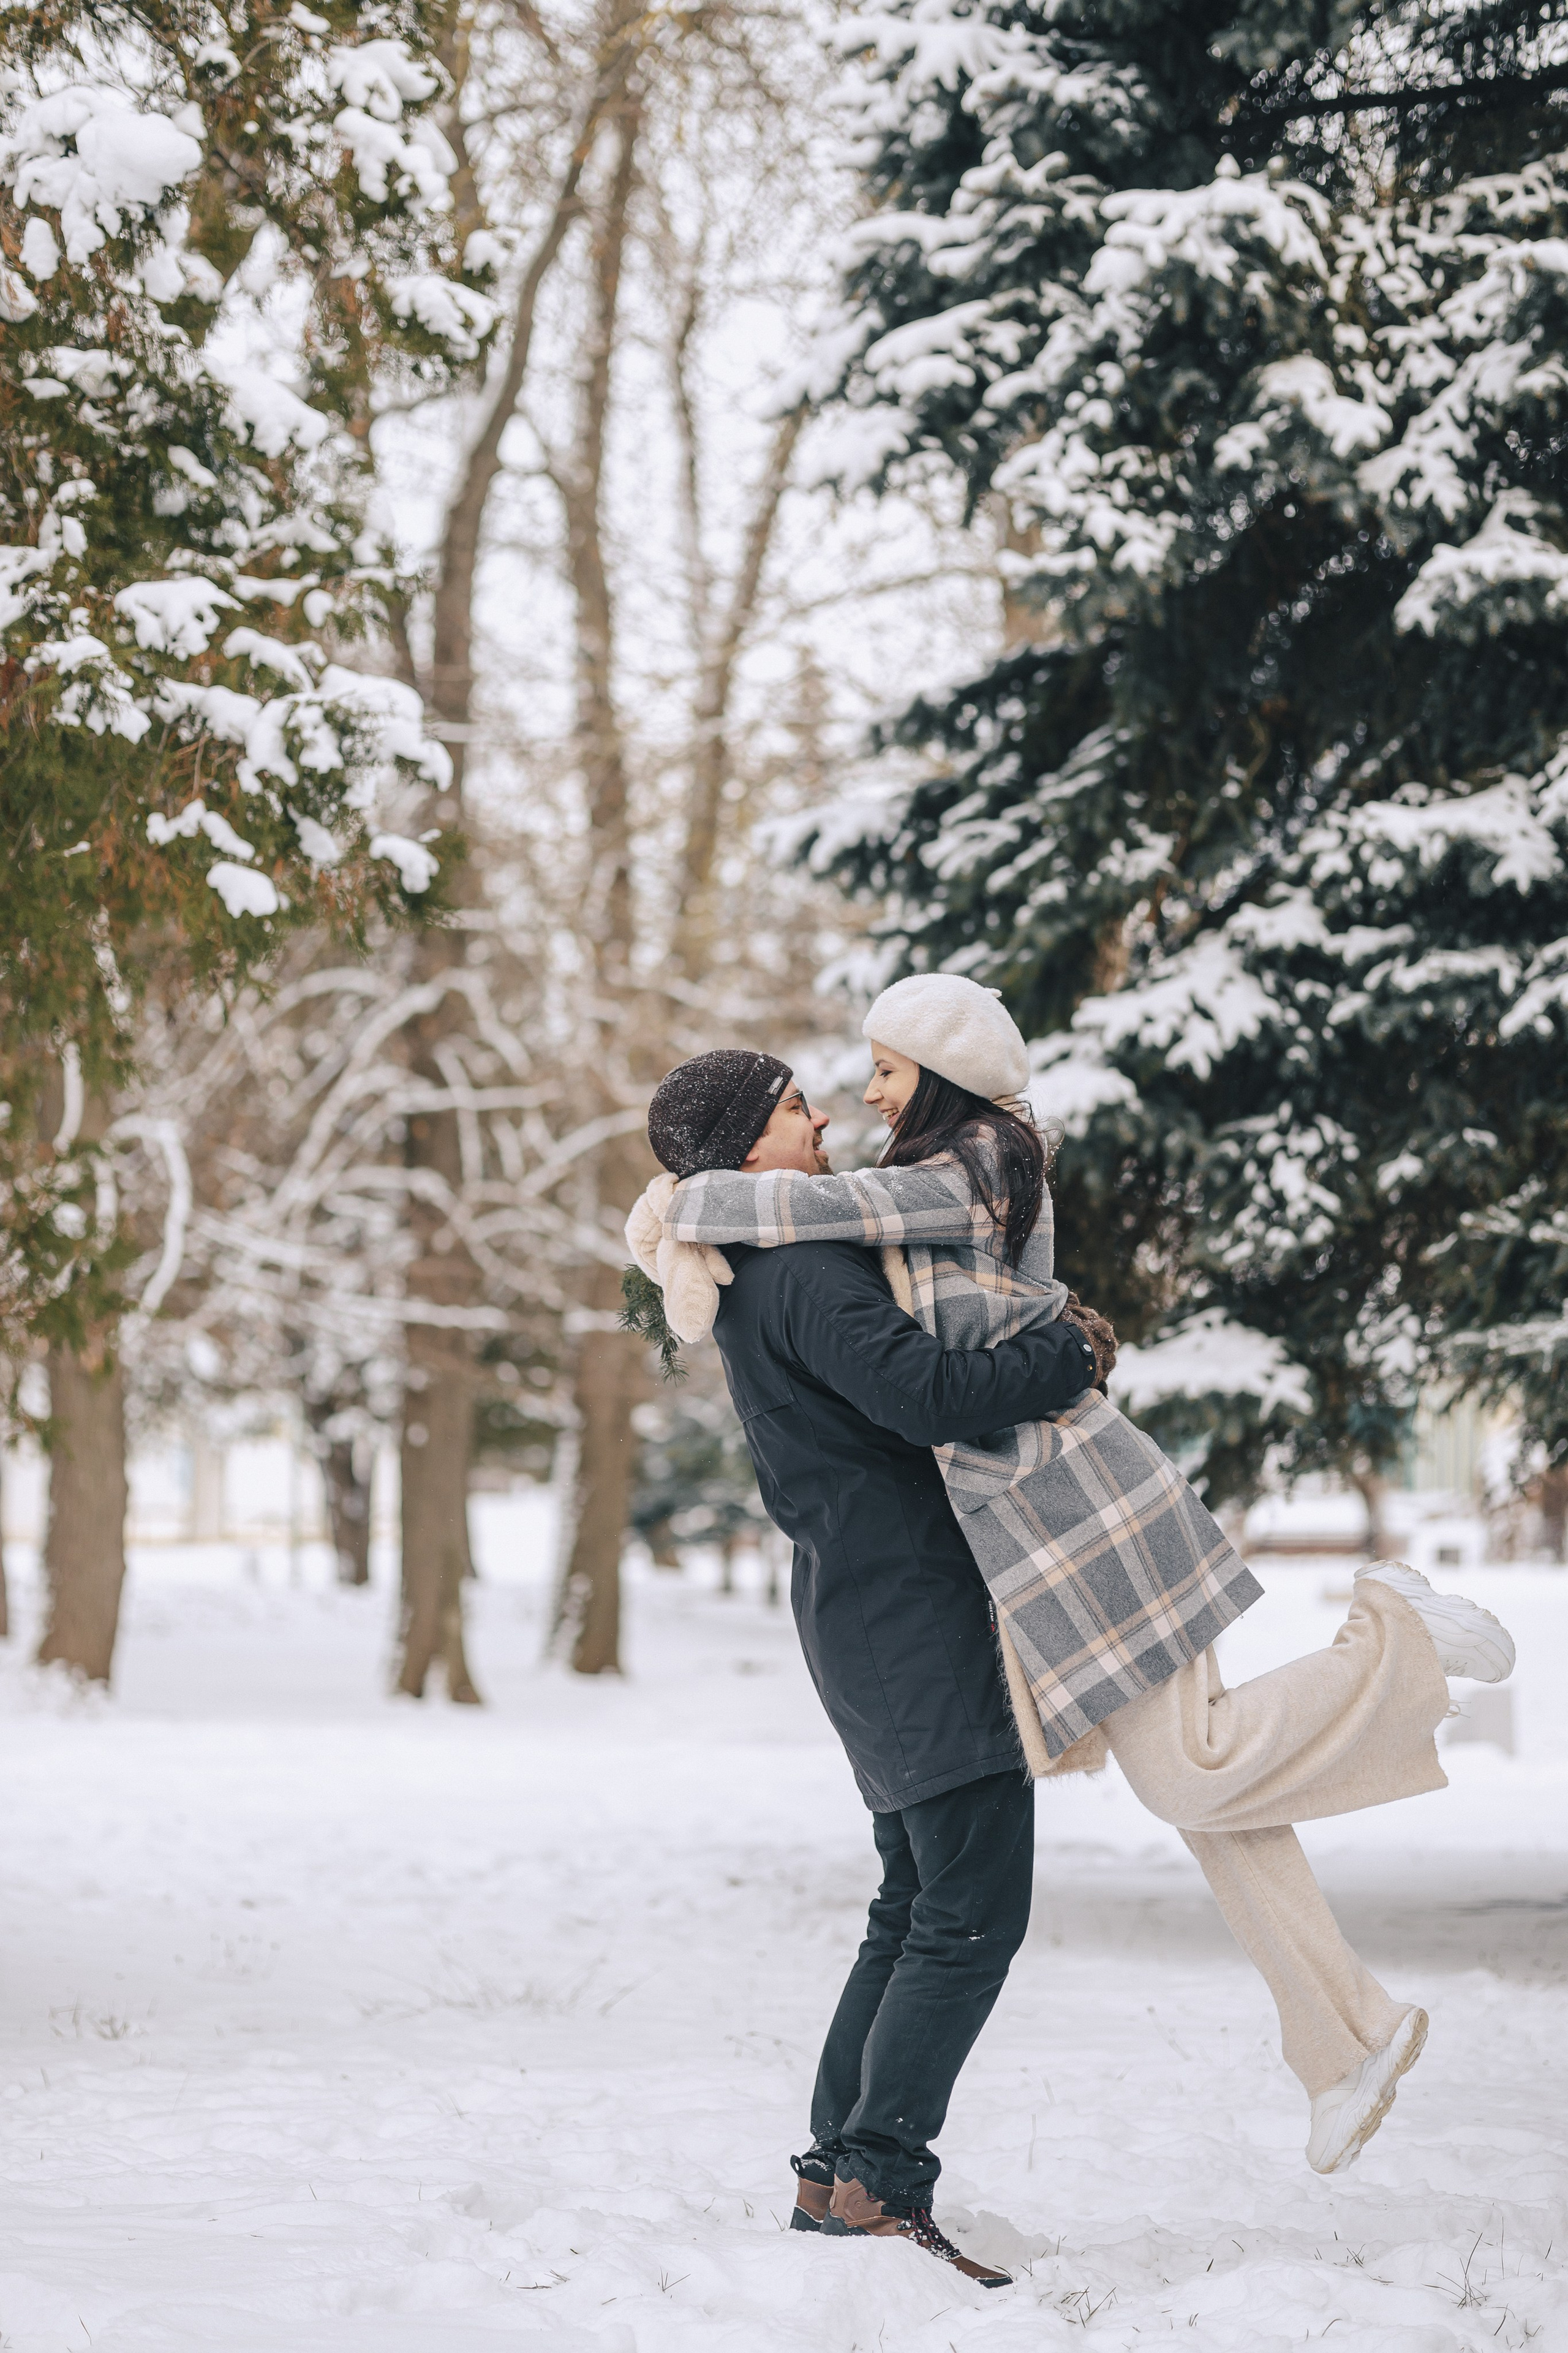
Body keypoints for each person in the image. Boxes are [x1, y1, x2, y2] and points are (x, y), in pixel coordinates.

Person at [628, 982, 1517, 2267]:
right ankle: (875, 2174)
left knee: (912, 1902)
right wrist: (1067, 1356)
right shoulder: (805, 1270)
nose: (821, 1116)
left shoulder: (761, 1267)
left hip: (861, 1611)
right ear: (743, 1146)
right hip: (916, 1618)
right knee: (966, 1910)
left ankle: (840, 2175)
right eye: (790, 1107)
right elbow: (928, 1392)